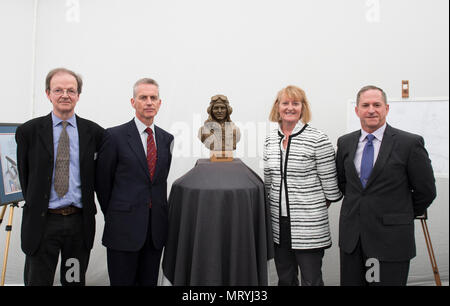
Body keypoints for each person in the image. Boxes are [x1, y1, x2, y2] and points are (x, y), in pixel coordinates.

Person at [336, 85, 436, 286]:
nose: (371, 110)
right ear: (357, 110)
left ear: (387, 108)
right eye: (365, 105)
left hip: (390, 241)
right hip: (353, 240)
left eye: (377, 104)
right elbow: (343, 183)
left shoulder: (409, 143)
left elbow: (426, 191)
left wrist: (400, 213)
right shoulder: (345, 143)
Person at [15, 67, 104, 286]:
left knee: (72, 280)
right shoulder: (29, 132)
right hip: (43, 224)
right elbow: (25, 175)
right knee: (38, 281)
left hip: (77, 225)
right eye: (58, 90)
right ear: (48, 94)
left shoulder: (95, 133)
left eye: (71, 90)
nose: (65, 95)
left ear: (78, 95)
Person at [95, 78, 174, 286]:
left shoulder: (167, 139)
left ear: (159, 103)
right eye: (143, 97)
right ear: (133, 102)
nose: (149, 102)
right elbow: (102, 183)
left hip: (155, 232)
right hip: (123, 230)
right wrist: (116, 214)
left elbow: (159, 181)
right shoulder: (114, 136)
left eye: (153, 98)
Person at [263, 85, 342, 286]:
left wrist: (309, 211)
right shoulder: (270, 139)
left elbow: (331, 189)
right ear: (277, 107)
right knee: (285, 279)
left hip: (309, 227)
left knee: (311, 280)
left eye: (295, 103)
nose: (290, 107)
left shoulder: (318, 138)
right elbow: (268, 185)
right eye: (285, 103)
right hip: (279, 226)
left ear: (302, 107)